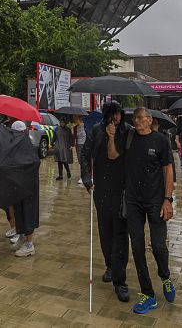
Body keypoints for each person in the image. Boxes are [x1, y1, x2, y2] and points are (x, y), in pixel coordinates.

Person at [110, 107, 175, 315]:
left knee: (158, 246)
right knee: (137, 248)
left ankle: (165, 276)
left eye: (140, 118)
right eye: (134, 118)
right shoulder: (128, 139)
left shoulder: (161, 141)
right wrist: (111, 136)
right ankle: (148, 294)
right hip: (133, 202)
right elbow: (112, 155)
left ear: (149, 120)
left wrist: (168, 200)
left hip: (156, 201)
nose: (136, 121)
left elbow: (168, 170)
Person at [79, 101, 131, 302]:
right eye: (112, 114)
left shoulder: (127, 131)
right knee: (105, 230)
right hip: (101, 188)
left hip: (121, 190)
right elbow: (85, 155)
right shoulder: (96, 130)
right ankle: (110, 265)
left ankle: (120, 279)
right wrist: (87, 179)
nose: (116, 118)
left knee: (120, 232)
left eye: (118, 114)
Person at [8, 120, 41, 257]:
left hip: (28, 186)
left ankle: (29, 244)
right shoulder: (16, 145)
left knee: (28, 212)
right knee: (19, 211)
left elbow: (33, 163)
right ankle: (22, 237)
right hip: (18, 184)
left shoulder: (28, 145)